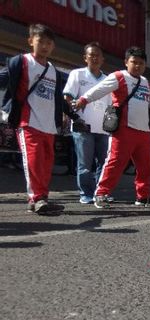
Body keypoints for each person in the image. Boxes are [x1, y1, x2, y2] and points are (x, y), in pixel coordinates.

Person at [74, 46, 150, 209]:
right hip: (123, 129)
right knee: (114, 163)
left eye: (141, 63)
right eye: (134, 62)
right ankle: (101, 194)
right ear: (126, 62)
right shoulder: (119, 76)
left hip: (143, 132)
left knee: (145, 167)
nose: (137, 66)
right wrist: (83, 99)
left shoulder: (145, 82)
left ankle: (143, 197)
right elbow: (99, 89)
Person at [0, 24, 83, 214]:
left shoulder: (53, 70)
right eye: (40, 42)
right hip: (28, 122)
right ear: (31, 41)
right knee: (34, 161)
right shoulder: (21, 62)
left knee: (46, 164)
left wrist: (74, 117)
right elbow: (3, 78)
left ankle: (42, 198)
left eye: (48, 43)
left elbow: (59, 100)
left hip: (49, 127)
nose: (45, 46)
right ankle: (36, 198)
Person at [63, 42, 112, 205]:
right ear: (85, 58)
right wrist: (73, 117)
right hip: (83, 127)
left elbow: (112, 105)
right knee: (84, 163)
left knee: (104, 163)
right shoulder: (77, 74)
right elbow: (68, 98)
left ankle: (101, 192)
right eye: (91, 55)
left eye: (98, 55)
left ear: (103, 59)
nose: (95, 58)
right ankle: (86, 193)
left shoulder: (108, 80)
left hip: (104, 129)